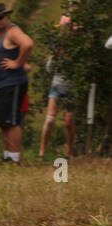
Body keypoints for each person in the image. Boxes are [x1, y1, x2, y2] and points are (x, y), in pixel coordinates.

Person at [0, 3, 33, 164]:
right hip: (1, 85)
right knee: (4, 122)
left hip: (12, 82)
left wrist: (17, 63)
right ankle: (7, 156)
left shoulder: (13, 31)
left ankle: (15, 158)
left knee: (12, 121)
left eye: (0, 17)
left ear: (7, 16)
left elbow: (28, 44)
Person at [39, 15, 76, 159]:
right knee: (49, 120)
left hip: (71, 87)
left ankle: (69, 152)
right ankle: (42, 151)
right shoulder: (57, 48)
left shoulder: (76, 49)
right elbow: (49, 68)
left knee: (68, 121)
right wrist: (56, 57)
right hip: (57, 85)